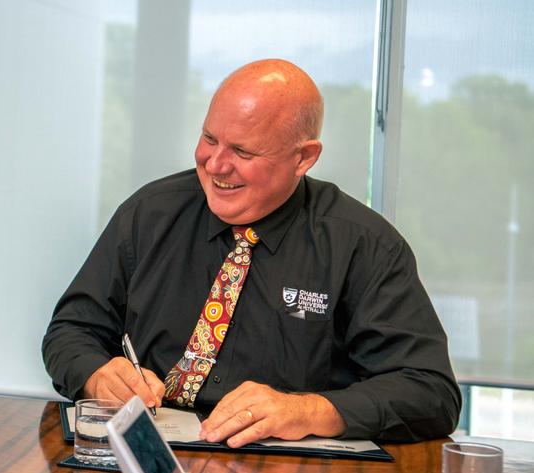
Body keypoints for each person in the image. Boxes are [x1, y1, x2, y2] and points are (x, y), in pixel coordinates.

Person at [42, 59, 461, 446]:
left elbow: (430, 391)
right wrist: (97, 376)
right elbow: (70, 331)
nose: (216, 165)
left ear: (304, 158)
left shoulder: (363, 245)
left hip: (284, 467)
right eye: (209, 139)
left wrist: (311, 410)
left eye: (243, 152)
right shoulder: (149, 214)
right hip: (152, 455)